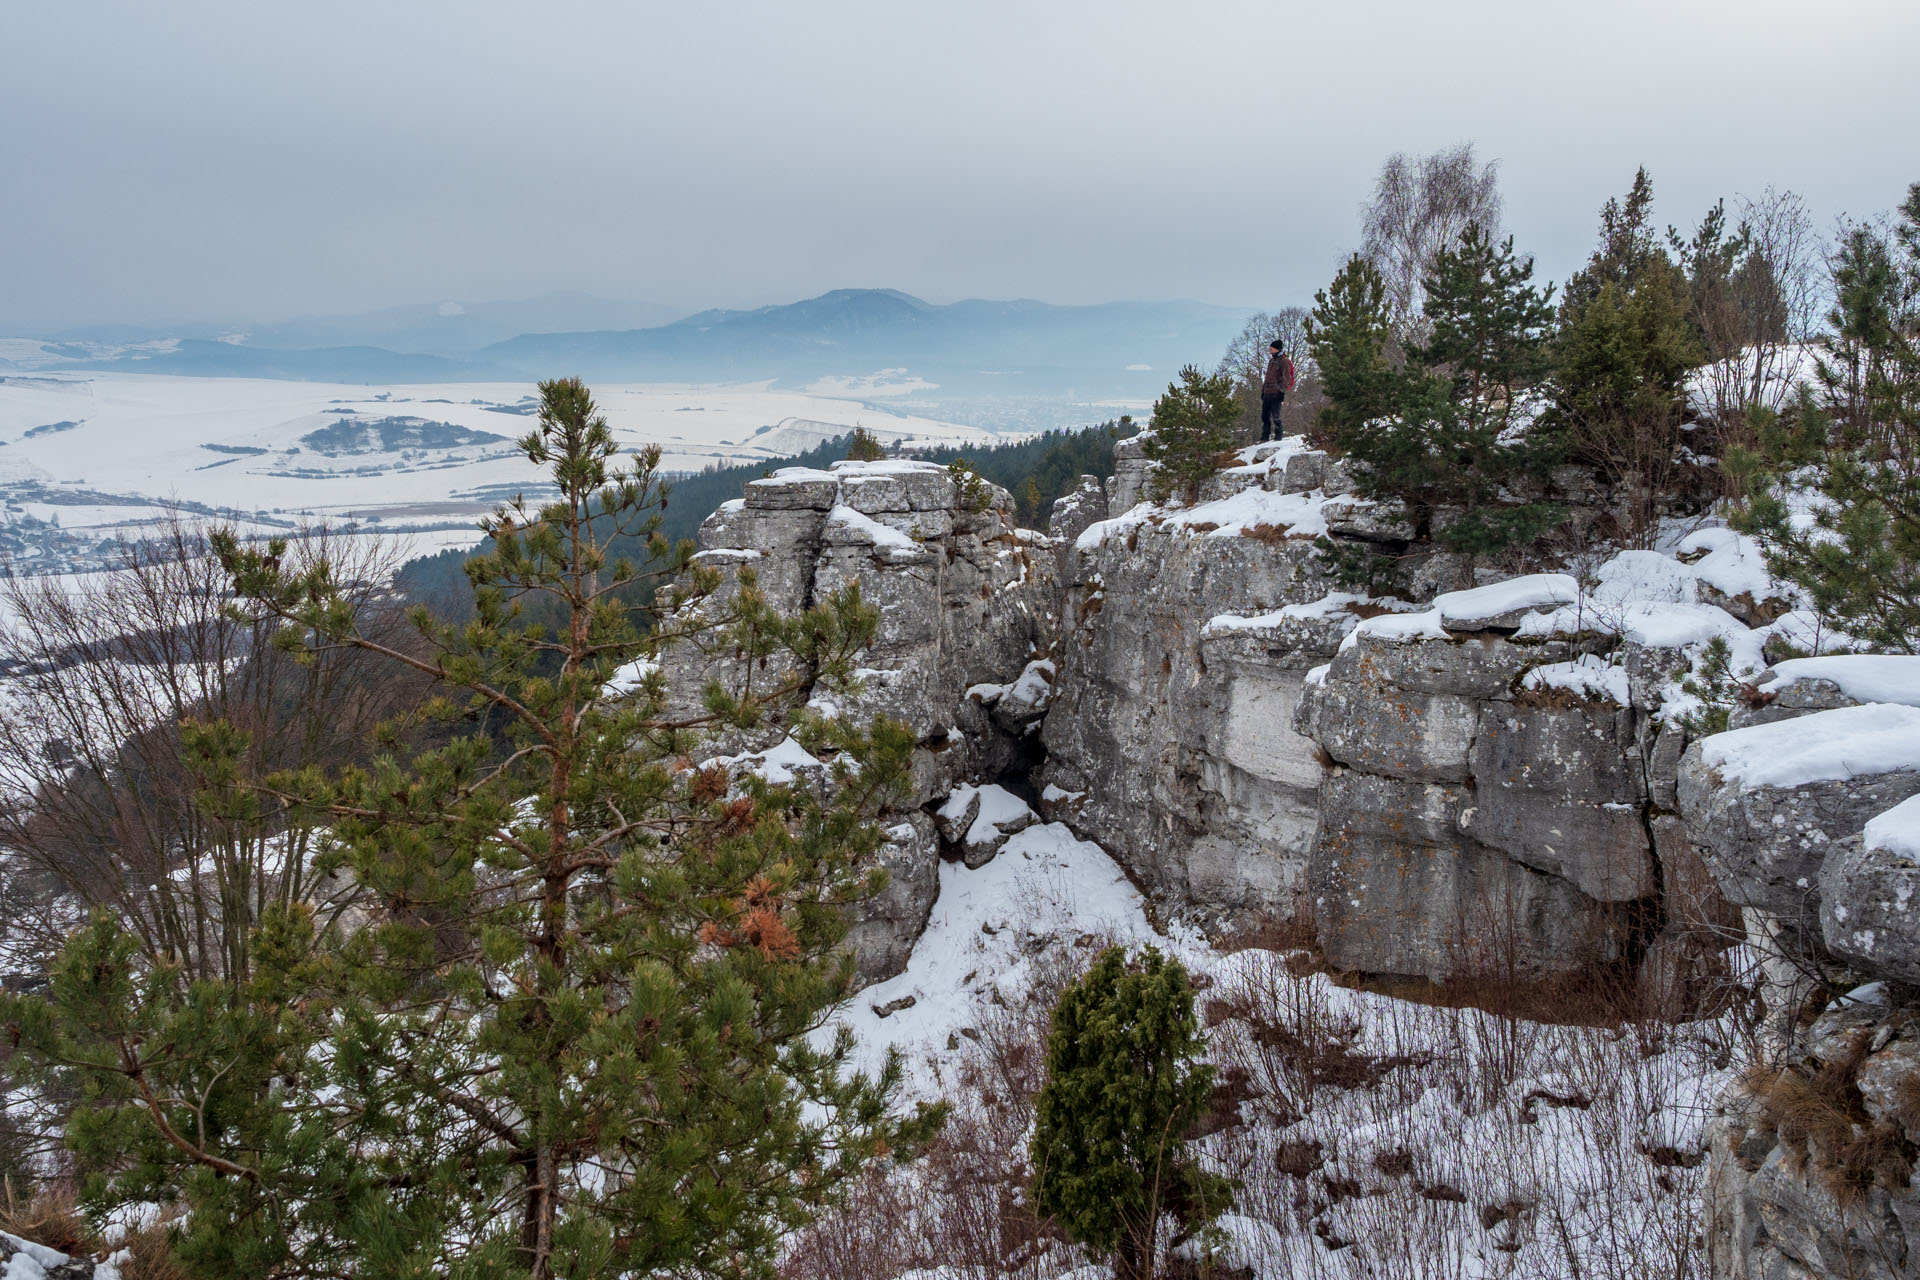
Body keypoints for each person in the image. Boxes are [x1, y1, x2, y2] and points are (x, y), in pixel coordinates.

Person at [1260, 339, 1296, 443]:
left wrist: (1281, 391)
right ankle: (1264, 437)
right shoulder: (1271, 361)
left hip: (1276, 393)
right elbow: (1267, 377)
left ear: (1277, 349)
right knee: (1265, 416)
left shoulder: (1284, 361)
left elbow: (1287, 378)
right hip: (1267, 392)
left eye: (1271, 348)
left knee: (1276, 416)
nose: (1269, 349)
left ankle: (1278, 437)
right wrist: (1263, 391)